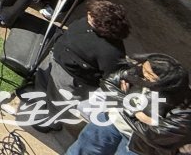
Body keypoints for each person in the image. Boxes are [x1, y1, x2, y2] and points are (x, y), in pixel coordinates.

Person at [1, 0, 129, 127]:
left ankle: (51, 123)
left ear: (102, 25)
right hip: (54, 59)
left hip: (72, 79)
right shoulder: (87, 22)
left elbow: (114, 78)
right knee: (41, 85)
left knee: (57, 101)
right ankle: (33, 105)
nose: (88, 15)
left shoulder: (112, 52)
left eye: (92, 16)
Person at [60, 54, 191, 155]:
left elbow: (155, 135)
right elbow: (109, 82)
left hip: (138, 147)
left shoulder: (184, 109)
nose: (141, 73)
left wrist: (128, 110)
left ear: (164, 81)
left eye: (148, 75)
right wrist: (132, 108)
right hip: (109, 122)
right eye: (143, 69)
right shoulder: (140, 72)